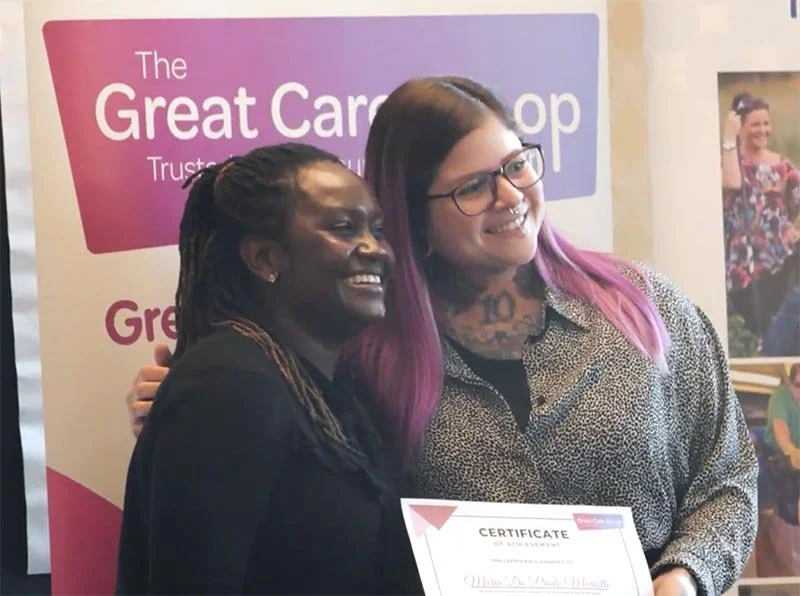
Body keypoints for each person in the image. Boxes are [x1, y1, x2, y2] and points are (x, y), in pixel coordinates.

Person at [127, 77, 758, 596]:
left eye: (517, 165)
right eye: (473, 186)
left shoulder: (643, 304)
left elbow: (727, 477)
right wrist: (171, 402)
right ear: (414, 217)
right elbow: (279, 456)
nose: (509, 195)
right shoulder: (364, 353)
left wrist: (683, 578)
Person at [116, 143, 422, 595]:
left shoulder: (327, 388)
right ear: (264, 259)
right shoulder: (228, 385)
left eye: (378, 229)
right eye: (343, 228)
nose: (374, 249)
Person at [721, 92, 800, 357]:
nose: (763, 130)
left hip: (782, 263)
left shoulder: (782, 166)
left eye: (766, 123)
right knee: (767, 329)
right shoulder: (728, 162)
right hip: (745, 271)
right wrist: (728, 139)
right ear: (740, 126)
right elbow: (732, 182)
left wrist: (795, 230)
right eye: (755, 124)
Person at [764, 362, 800, 525]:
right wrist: (792, 452)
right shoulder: (780, 398)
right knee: (790, 507)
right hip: (779, 456)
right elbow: (782, 435)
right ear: (789, 381)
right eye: (799, 385)